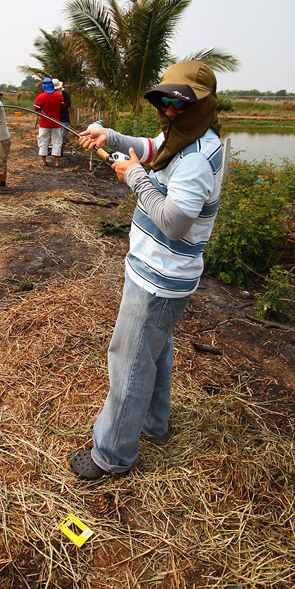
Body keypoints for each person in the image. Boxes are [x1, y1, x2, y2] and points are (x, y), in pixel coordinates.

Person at [70, 60, 224, 480]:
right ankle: (155, 426)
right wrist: (112, 137)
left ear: (203, 105)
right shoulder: (186, 135)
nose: (170, 111)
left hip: (159, 279)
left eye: (180, 103)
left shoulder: (196, 156)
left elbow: (174, 220)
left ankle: (112, 455)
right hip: (160, 274)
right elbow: (154, 147)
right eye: (165, 101)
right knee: (153, 352)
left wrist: (134, 177)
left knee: (130, 359)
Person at [34, 77, 65, 166]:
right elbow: (63, 106)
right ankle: (57, 162)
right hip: (56, 123)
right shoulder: (59, 96)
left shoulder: (40, 97)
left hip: (44, 124)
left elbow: (36, 109)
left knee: (43, 141)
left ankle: (44, 161)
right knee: (57, 142)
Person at [53, 79, 71, 153]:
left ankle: (61, 151)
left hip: (63, 118)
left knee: (63, 136)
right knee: (55, 136)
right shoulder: (51, 93)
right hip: (54, 118)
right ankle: (55, 151)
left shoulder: (64, 93)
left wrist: (60, 107)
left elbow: (68, 104)